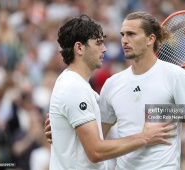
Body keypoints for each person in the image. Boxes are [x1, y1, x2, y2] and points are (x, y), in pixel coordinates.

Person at [48, 15, 177, 170]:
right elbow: (96, 151)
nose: (105, 49)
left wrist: (59, 130)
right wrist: (144, 137)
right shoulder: (74, 89)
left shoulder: (79, 87)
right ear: (79, 48)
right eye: (98, 43)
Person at [98, 12, 185, 170]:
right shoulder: (112, 84)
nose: (124, 40)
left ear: (151, 39)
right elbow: (96, 140)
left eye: (131, 34)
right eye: (123, 34)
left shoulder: (176, 76)